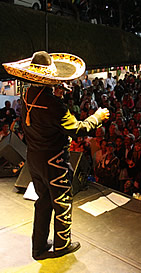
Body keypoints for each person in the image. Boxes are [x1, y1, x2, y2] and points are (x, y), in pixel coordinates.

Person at [3, 51, 110, 260]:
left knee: (43, 201)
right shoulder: (53, 104)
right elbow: (78, 129)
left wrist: (54, 95)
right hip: (54, 160)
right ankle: (62, 245)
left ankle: (39, 247)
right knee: (61, 201)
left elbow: (42, 119)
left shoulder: (26, 95)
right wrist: (97, 117)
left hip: (34, 158)